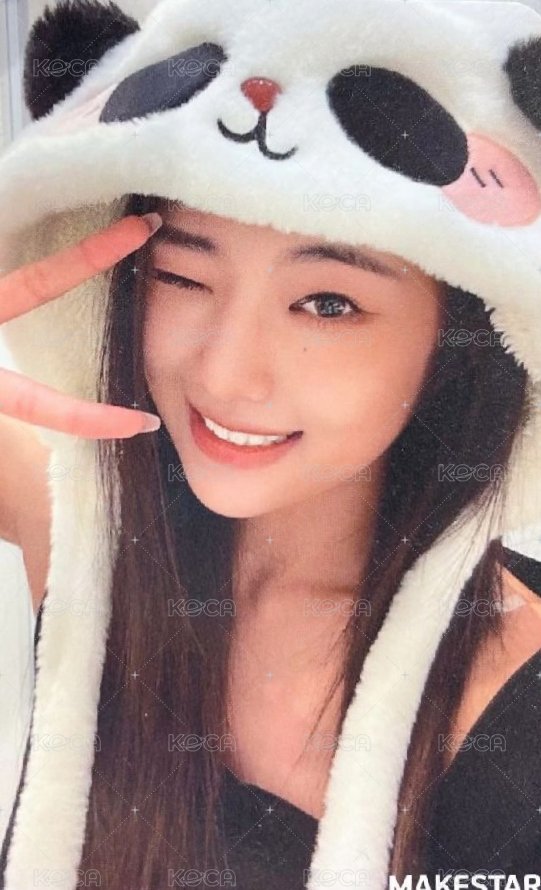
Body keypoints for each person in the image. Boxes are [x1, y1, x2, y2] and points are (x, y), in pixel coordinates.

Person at [1, 1, 541, 888]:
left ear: (462, 341)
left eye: (326, 303)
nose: (226, 373)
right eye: (181, 274)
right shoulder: (90, 533)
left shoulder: (514, 692)